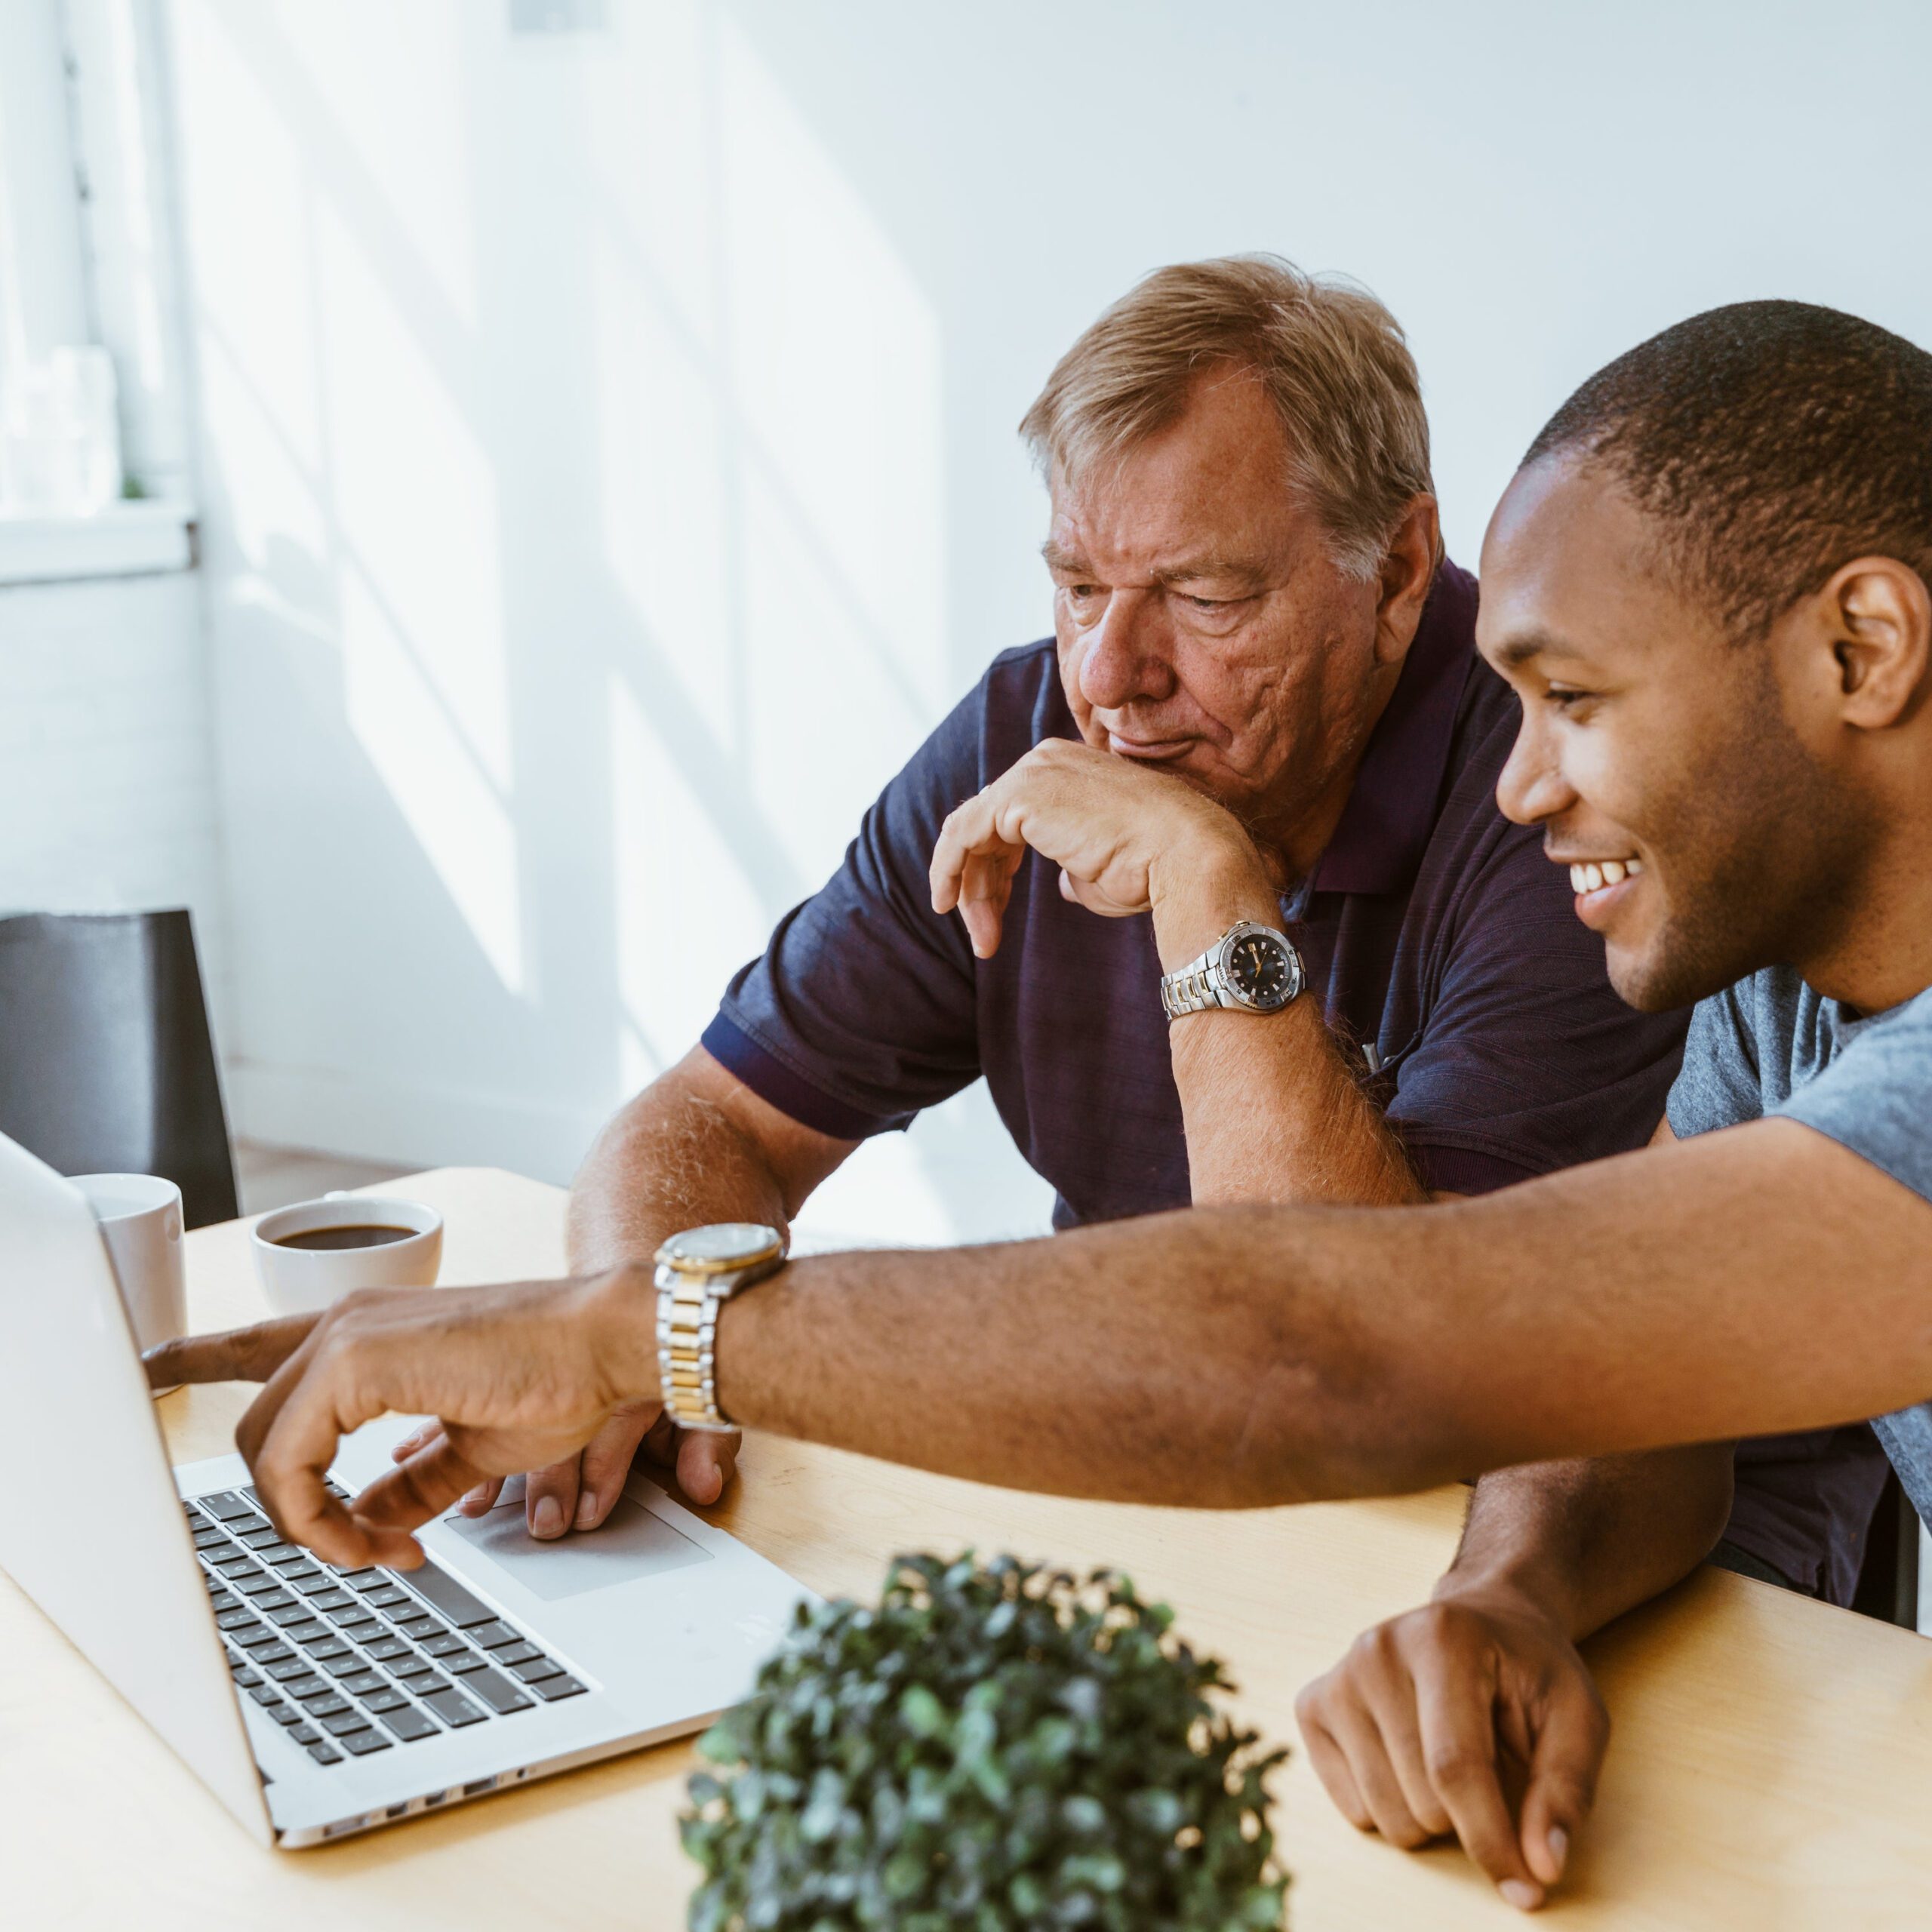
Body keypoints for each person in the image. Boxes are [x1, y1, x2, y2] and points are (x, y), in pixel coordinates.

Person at [149, 299, 1932, 1916]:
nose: (1534, 780)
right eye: (1077, 589)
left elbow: (1346, 1348)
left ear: (1862, 647)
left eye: (1574, 700)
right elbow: (1597, 1371)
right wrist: (1516, 1590)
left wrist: (633, 1330)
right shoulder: (1776, 985)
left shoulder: (1664, 909)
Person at [474, 255, 1694, 1543]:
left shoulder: (1560, 787)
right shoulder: (1031, 728)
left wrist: (1206, 885)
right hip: (1171, 1477)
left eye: (1204, 596)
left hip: (1541, 1540)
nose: (1110, 676)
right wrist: (633, 1341)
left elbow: (1361, 1376)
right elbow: (709, 1124)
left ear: (1394, 574)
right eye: (1076, 588)